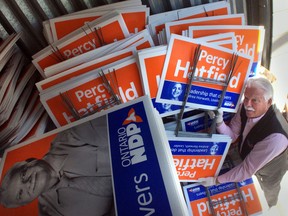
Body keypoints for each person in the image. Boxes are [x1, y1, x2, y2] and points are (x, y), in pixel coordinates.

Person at [200, 77, 288, 207]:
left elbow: (247, 170)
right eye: (246, 98)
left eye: (254, 100)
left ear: (269, 102)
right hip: (249, 156)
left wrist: (216, 181)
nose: (248, 104)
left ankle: (272, 207)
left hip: (268, 173)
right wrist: (219, 122)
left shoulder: (276, 137)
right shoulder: (244, 107)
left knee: (265, 198)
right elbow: (233, 135)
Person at [0, 115, 115, 216]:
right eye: (20, 193)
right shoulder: (51, 213)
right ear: (25, 203)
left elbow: (120, 125)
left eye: (23, 175)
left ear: (31, 161)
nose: (27, 183)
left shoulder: (71, 135)